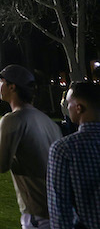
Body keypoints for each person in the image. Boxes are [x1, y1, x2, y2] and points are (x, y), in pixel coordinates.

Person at [0, 64, 62, 229]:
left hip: (38, 211)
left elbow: (1, 165)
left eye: (1, 81)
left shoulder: (13, 119)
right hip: (60, 209)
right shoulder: (49, 122)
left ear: (12, 87)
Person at [47, 80, 100, 229]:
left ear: (79, 108)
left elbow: (60, 209)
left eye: (68, 103)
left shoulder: (64, 149)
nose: (66, 107)